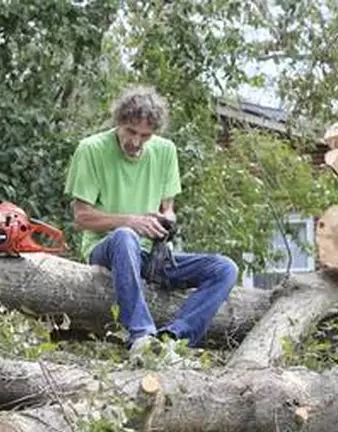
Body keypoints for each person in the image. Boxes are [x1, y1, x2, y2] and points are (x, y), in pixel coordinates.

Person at [64, 86, 238, 359]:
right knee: (125, 236)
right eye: (130, 132)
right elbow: (82, 217)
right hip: (108, 249)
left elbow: (168, 209)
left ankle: (171, 339)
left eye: (145, 136)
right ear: (119, 123)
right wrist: (131, 221)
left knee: (224, 268)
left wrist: (166, 222)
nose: (136, 142)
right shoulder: (91, 149)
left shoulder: (165, 151)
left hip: (151, 254)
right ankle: (141, 336)